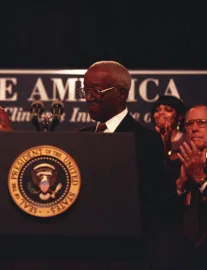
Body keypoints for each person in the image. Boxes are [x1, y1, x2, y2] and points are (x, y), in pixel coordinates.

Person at [77, 61, 179, 269]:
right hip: (82, 250)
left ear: (122, 94)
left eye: (96, 90)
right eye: (85, 90)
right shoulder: (79, 138)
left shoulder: (145, 140)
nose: (89, 97)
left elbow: (155, 202)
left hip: (126, 253)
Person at [176, 104, 207, 269]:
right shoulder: (175, 163)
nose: (194, 128)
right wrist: (180, 185)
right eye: (189, 124)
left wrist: (200, 178)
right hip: (179, 255)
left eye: (201, 122)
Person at [151, 95, 187, 160]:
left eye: (168, 110)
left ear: (180, 116)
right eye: (157, 110)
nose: (161, 113)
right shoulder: (146, 139)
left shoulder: (187, 141)